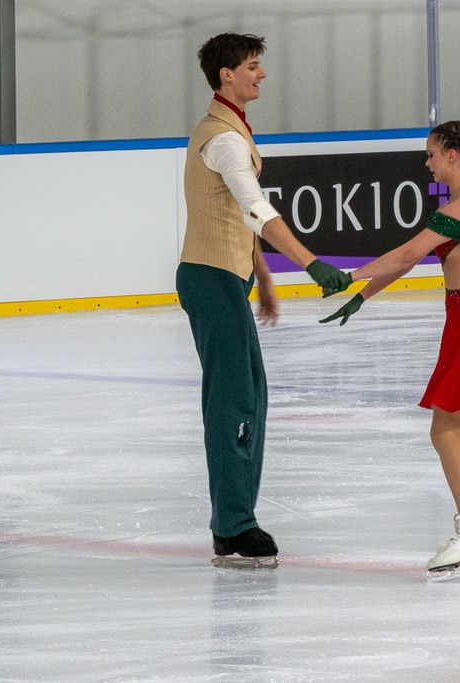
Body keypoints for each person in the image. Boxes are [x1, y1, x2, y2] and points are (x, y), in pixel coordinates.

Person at [320, 121, 460, 576]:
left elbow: (406, 253)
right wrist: (362, 296)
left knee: (445, 431)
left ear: (451, 155)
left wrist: (350, 275)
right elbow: (408, 262)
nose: (426, 163)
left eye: (431, 154)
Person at [177, 33, 350, 568]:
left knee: (250, 396)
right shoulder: (223, 140)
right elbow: (255, 209)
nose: (262, 74)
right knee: (233, 402)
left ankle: (235, 519)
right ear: (226, 75)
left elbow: (236, 215)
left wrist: (265, 277)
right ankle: (233, 527)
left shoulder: (231, 128)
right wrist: (310, 263)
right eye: (252, 66)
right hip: (210, 278)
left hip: (225, 278)